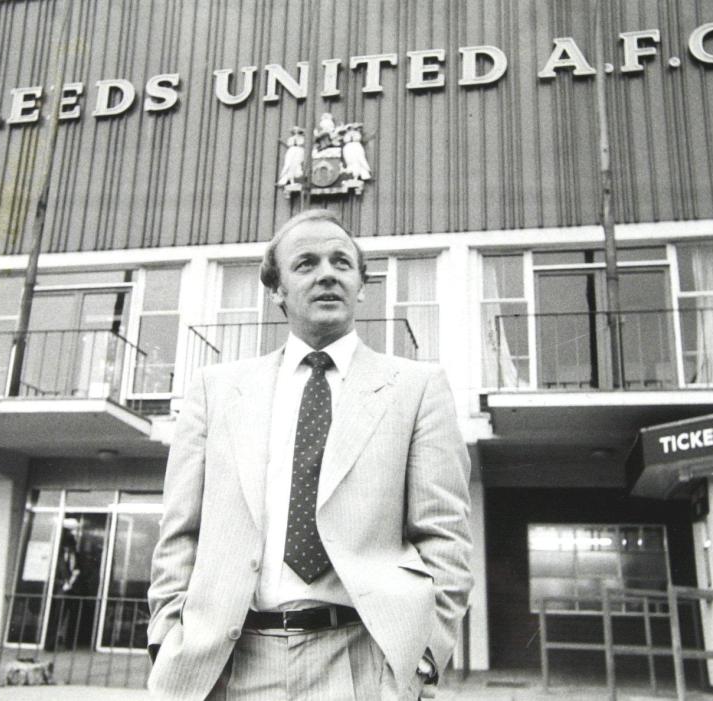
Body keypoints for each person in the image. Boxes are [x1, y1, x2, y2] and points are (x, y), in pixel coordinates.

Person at [148, 208, 473, 700]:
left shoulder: (417, 389)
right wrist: (165, 640)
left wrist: (422, 659)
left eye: (342, 262)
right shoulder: (216, 390)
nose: (327, 273)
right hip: (227, 665)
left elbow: (445, 536)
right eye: (306, 264)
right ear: (277, 289)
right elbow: (179, 531)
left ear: (361, 285)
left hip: (359, 663)